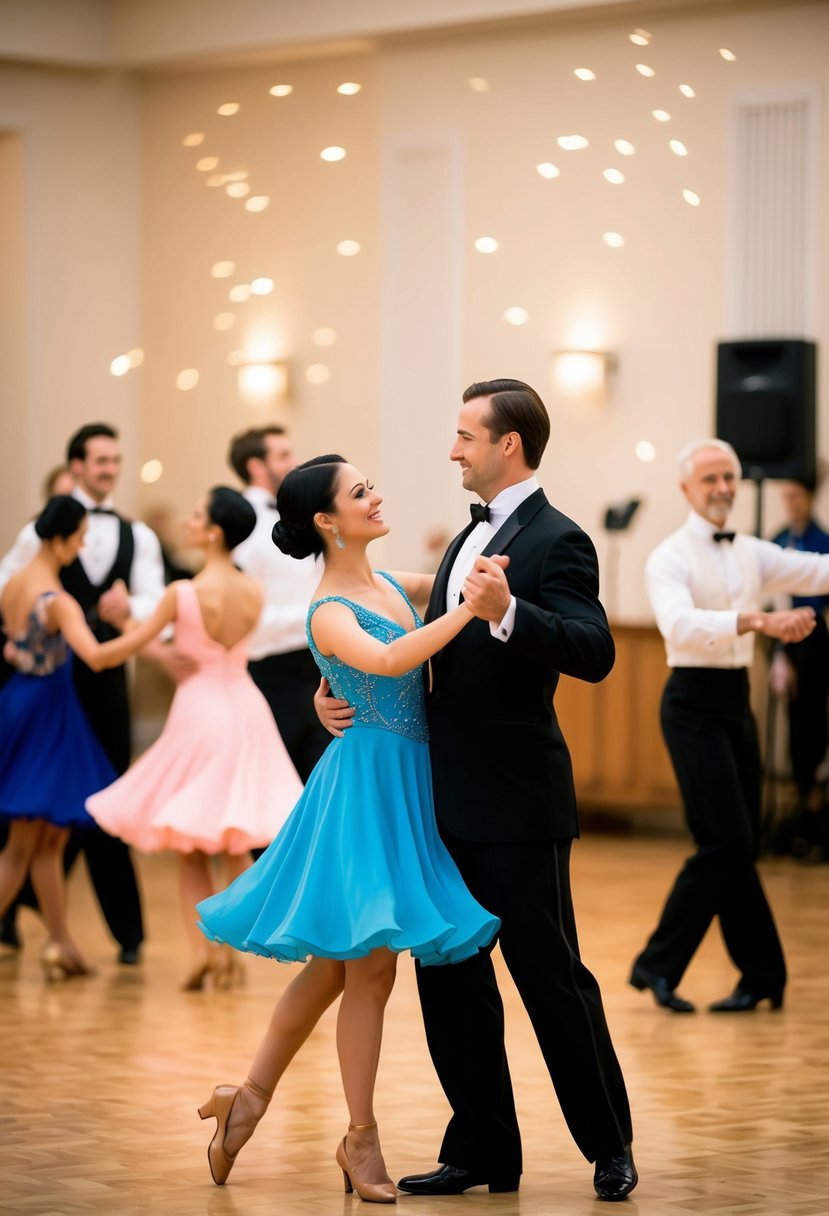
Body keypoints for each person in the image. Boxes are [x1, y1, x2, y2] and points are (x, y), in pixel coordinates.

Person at [317, 380, 636, 1203]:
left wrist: (509, 613)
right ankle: (483, 1151)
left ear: (509, 446)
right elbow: (371, 632)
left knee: (550, 977)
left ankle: (608, 1144)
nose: (452, 451)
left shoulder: (558, 540)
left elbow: (594, 650)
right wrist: (326, 696)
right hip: (440, 806)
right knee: (450, 983)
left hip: (519, 805)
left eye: (465, 436)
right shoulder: (465, 536)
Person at [195, 455, 500, 1203]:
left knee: (336, 966)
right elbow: (394, 655)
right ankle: (359, 1140)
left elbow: (454, 582)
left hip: (403, 786)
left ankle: (248, 1098)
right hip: (362, 792)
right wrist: (470, 613)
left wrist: (492, 571)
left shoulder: (389, 584)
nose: (376, 495)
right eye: (360, 492)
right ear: (327, 521)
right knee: (368, 966)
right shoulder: (330, 607)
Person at [630, 439, 829, 1017]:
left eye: (729, 478)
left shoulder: (751, 551)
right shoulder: (667, 556)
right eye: (710, 478)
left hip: (737, 703)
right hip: (691, 704)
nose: (722, 488)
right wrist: (759, 619)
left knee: (736, 845)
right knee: (727, 841)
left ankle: (763, 975)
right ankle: (658, 965)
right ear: (687, 489)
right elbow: (679, 625)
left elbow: (816, 570)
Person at [86, 488, 303, 990]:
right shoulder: (253, 592)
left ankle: (203, 952)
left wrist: (96, 645)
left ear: (213, 532)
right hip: (246, 707)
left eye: (197, 515)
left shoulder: (183, 593)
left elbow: (127, 648)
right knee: (231, 839)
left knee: (192, 845)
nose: (188, 521)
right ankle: (227, 954)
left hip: (202, 712)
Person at [0, 424, 170, 964]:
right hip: (51, 709)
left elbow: (11, 632)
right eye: (78, 539)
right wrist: (148, 629)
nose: (85, 546)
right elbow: (95, 656)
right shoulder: (59, 597)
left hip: (28, 701)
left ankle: (64, 943)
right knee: (28, 839)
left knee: (46, 838)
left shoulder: (19, 582)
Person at [229, 426, 331, 781]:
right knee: (273, 782)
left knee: (319, 779)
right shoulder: (240, 525)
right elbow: (246, 619)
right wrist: (322, 614)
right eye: (283, 455)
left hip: (320, 665)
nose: (295, 462)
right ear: (256, 465)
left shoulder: (301, 515)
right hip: (272, 671)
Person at [769, 478, 829, 859]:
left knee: (813, 726)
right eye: (786, 497)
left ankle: (814, 810)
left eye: (796, 496)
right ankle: (799, 810)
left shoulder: (821, 540)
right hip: (785, 640)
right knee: (794, 728)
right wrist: (779, 654)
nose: (791, 504)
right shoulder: (776, 540)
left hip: (815, 640)